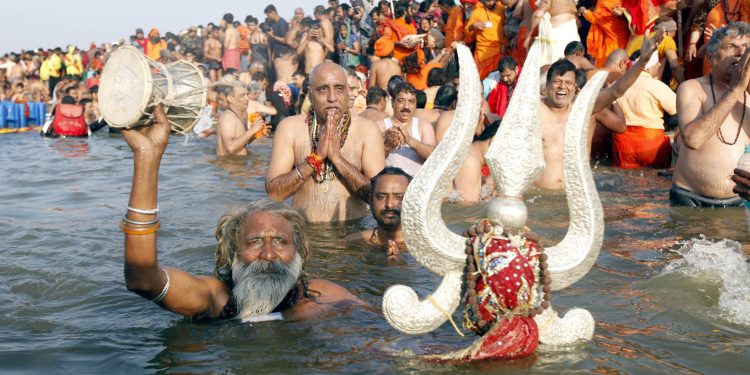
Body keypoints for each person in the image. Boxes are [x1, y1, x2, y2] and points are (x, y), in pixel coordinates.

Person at [121, 106, 361, 321]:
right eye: (255, 242)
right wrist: (146, 159)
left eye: (280, 241)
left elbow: (378, 331)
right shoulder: (215, 300)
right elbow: (142, 279)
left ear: (298, 251)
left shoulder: (321, 296)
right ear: (234, 253)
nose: (268, 255)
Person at [535, 29, 664, 190]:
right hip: (540, 199)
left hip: (577, 197)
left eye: (568, 83)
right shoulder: (535, 111)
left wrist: (642, 61)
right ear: (546, 86)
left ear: (575, 88)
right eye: (557, 82)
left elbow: (616, 90)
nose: (562, 87)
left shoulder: (584, 108)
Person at [265, 62, 385, 222]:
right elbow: (274, 194)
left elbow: (379, 197)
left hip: (353, 236)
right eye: (323, 89)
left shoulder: (367, 130)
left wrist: (338, 159)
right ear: (310, 95)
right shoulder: (289, 128)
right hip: (305, 235)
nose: (332, 98)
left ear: (348, 92)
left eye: (339, 89)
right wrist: (316, 158)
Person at [673, 22, 750, 207]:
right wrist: (736, 88)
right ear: (710, 56)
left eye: (746, 47)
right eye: (731, 46)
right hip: (691, 201)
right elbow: (693, 139)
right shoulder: (692, 88)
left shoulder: (748, 97)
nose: (741, 52)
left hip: (739, 202)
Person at [612, 50, 677, 169]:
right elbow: (678, 109)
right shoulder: (656, 85)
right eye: (656, 62)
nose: (659, 65)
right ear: (647, 68)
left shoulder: (617, 84)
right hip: (651, 145)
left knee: (626, 182)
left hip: (623, 146)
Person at [345, 167, 412, 259]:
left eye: (399, 197)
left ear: (412, 201)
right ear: (371, 200)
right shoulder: (352, 242)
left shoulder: (427, 246)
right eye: (382, 197)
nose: (389, 204)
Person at [377, 82, 437, 177]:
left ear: (416, 104)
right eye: (401, 101)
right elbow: (371, 159)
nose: (406, 107)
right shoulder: (380, 126)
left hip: (416, 185)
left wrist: (409, 140)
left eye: (411, 101)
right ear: (392, 103)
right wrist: (388, 146)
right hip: (390, 186)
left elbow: (434, 156)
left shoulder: (423, 126)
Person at [216, 84, 268, 157]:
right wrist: (252, 130)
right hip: (227, 165)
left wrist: (256, 134)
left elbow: (242, 143)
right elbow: (231, 148)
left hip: (240, 164)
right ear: (230, 99)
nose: (247, 98)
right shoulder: (227, 117)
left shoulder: (244, 114)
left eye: (247, 94)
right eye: (242, 95)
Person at [526, 0, 580, 66]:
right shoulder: (572, 2)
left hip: (557, 40)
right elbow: (578, 23)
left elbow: (538, 14)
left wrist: (529, 34)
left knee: (552, 69)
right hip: (573, 37)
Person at [578, 0, 629, 68]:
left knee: (604, 70)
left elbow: (594, 18)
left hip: (611, 47)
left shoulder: (604, 4)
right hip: (627, 43)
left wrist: (583, 10)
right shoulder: (622, 3)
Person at [465, 0, 507, 80]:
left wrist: (505, 43)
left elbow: (508, 28)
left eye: (492, 0)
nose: (490, 3)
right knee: (480, 79)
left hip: (499, 51)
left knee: (497, 80)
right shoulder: (477, 11)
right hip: (482, 52)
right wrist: (473, 25)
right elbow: (467, 31)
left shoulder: (502, 9)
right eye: (488, 1)